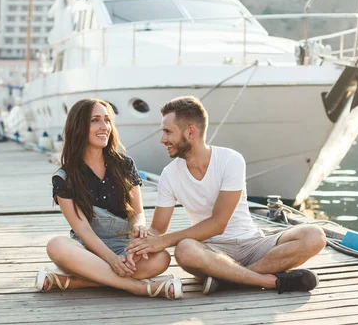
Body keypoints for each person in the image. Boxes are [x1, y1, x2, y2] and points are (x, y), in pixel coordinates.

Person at [126, 96, 326, 295]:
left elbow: (218, 223)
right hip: (211, 254)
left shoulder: (230, 160)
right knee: (184, 250)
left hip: (252, 245)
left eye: (168, 132)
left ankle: (229, 280)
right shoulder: (169, 175)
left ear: (190, 132)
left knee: (314, 235)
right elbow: (158, 228)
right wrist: (141, 239)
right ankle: (267, 280)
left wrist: (164, 241)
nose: (163, 139)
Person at [35, 98, 182, 299]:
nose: (104, 127)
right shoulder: (64, 178)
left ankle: (79, 282)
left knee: (162, 259)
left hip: (123, 246)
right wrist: (111, 260)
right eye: (95, 120)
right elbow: (83, 230)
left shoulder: (124, 165)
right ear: (79, 127)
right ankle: (138, 287)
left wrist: (138, 227)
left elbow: (137, 213)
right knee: (56, 246)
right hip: (86, 250)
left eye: (107, 120)